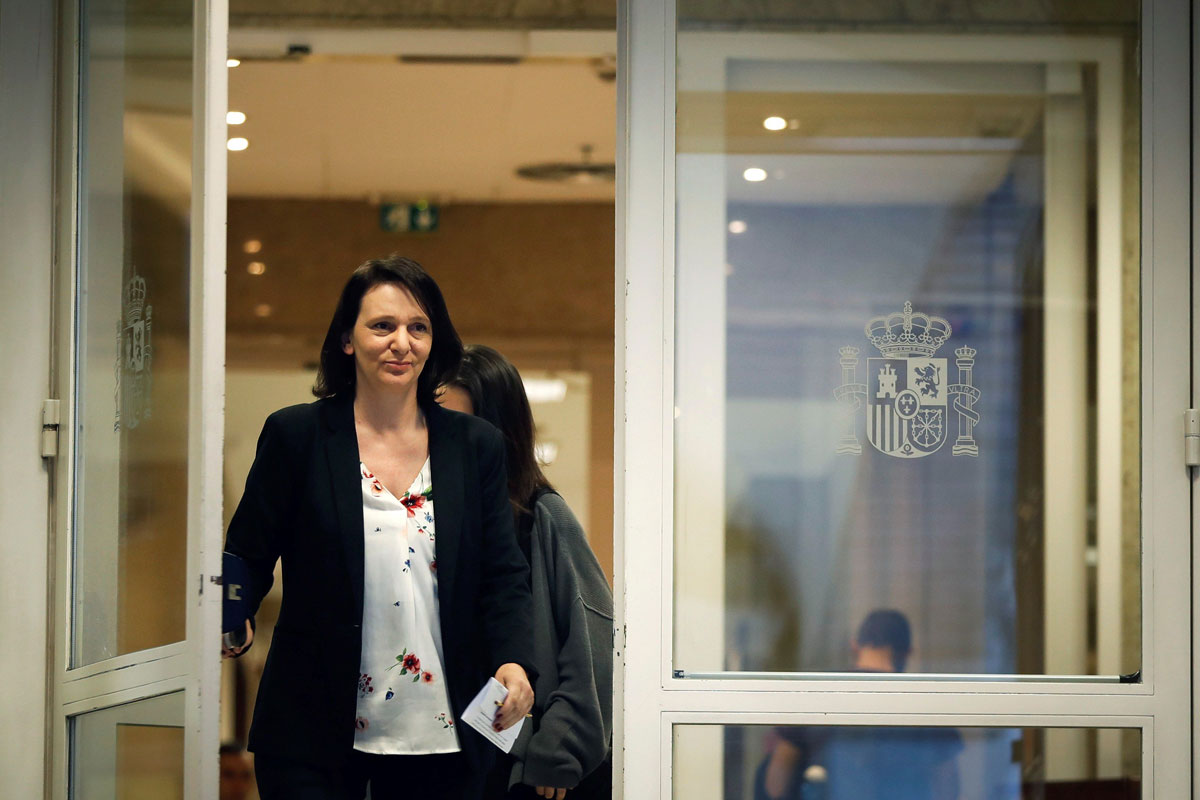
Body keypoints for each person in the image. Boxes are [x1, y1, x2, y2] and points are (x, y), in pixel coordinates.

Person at [222, 255, 536, 799]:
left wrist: (514, 661)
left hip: (441, 726)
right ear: (347, 339)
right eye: (382, 326)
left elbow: (502, 573)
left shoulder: (473, 444)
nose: (402, 342)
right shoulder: (297, 436)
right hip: (311, 722)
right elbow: (248, 553)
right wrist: (232, 618)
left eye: (418, 328)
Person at [439, 345, 614, 800]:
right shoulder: (427, 517)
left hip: (524, 772)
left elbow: (592, 642)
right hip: (441, 757)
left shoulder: (542, 516)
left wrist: (560, 748)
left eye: (463, 425)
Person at [757, 610, 962, 800]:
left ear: (854, 646)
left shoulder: (815, 692)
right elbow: (947, 786)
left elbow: (776, 785)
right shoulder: (927, 701)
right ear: (908, 652)